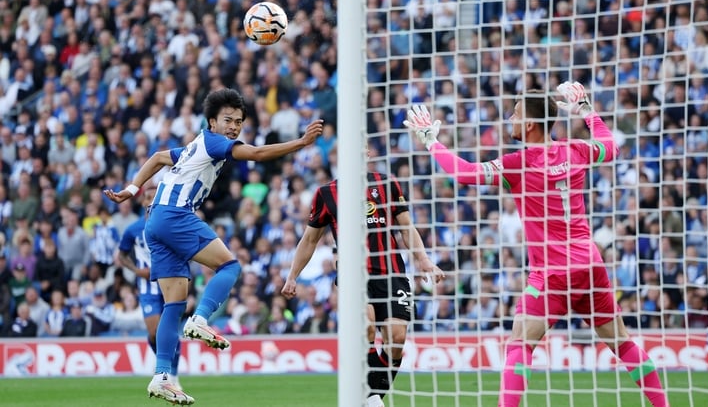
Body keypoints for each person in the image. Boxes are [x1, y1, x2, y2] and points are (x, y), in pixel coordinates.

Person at [404, 82, 670, 407]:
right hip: (590, 265)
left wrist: (431, 143)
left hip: (552, 273)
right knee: (622, 343)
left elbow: (465, 173)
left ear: (528, 124)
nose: (510, 120)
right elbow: (610, 146)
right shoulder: (576, 150)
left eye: (514, 114)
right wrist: (585, 108)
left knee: (519, 343)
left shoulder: (520, 163)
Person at [104, 88, 323, 405]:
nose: (234, 127)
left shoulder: (195, 146)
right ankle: (202, 319)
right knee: (230, 266)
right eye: (228, 120)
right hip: (174, 215)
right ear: (212, 122)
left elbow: (157, 158)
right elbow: (258, 154)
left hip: (155, 224)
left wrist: (131, 189)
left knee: (174, 305)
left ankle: (162, 376)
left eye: (238, 122)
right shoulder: (214, 142)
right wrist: (301, 143)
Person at [281, 158, 445, 407]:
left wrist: (424, 260)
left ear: (367, 153)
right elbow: (310, 240)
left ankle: (370, 396)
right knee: (366, 327)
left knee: (397, 338)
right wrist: (292, 275)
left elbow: (406, 227)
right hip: (353, 274)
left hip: (391, 273)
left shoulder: (386, 183)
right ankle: (372, 399)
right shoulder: (326, 193)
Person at [114, 184, 183, 389]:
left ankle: (173, 375)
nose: (151, 200)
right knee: (154, 333)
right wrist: (136, 271)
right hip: (148, 287)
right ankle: (165, 364)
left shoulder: (170, 224)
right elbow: (122, 255)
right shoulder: (133, 229)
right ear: (142, 202)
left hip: (170, 283)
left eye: (155, 197)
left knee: (169, 330)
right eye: (148, 197)